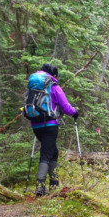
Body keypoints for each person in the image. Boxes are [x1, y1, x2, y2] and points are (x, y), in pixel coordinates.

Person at [30, 63, 78, 197]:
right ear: (54, 75)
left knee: (53, 151)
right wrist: (75, 112)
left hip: (35, 124)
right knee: (46, 153)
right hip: (50, 125)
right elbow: (66, 107)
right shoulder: (54, 87)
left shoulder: (34, 86)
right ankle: (40, 187)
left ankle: (54, 183)